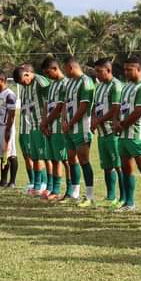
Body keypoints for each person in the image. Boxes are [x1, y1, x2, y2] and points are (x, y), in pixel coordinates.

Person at [116, 57, 141, 215]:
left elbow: (139, 111)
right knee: (126, 169)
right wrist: (116, 122)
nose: (126, 72)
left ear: (139, 69)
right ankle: (129, 202)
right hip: (124, 135)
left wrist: (122, 124)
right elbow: (120, 108)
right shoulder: (126, 87)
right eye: (125, 69)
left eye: (129, 70)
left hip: (138, 134)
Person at [60, 56, 96, 206]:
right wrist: (63, 120)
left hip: (82, 127)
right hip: (69, 127)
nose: (64, 72)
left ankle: (89, 195)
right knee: (71, 158)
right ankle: (74, 192)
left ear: (71, 67)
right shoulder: (69, 83)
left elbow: (83, 107)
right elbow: (65, 103)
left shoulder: (86, 82)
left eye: (65, 69)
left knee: (84, 160)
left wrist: (71, 122)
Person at [89, 58, 124, 208]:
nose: (97, 74)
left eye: (99, 71)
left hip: (112, 132)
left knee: (118, 165)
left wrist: (99, 120)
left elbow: (115, 109)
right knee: (107, 166)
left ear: (108, 70)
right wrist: (93, 119)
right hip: (102, 133)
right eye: (95, 71)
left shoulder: (116, 86)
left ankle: (124, 197)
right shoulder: (100, 86)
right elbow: (95, 105)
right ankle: (110, 196)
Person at [16, 62, 51, 195]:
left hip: (42, 124)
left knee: (44, 156)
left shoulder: (40, 81)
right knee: (34, 156)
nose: (23, 84)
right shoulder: (27, 86)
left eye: (22, 81)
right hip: (30, 125)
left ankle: (46, 184)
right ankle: (36, 184)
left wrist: (47, 121)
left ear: (27, 73)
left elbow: (50, 100)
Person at [38, 57, 69, 200]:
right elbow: (46, 105)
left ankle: (70, 190)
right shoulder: (52, 85)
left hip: (59, 128)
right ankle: (55, 190)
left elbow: (60, 107)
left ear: (55, 68)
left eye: (48, 72)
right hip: (49, 127)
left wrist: (47, 122)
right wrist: (44, 121)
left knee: (65, 159)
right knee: (54, 159)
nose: (47, 76)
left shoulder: (65, 84)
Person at [0, 69, 19, 187]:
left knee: (11, 154)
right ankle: (3, 180)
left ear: (2, 80)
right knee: (2, 155)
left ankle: (12, 181)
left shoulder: (9, 95)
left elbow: (12, 114)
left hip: (6, 128)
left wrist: (8, 130)